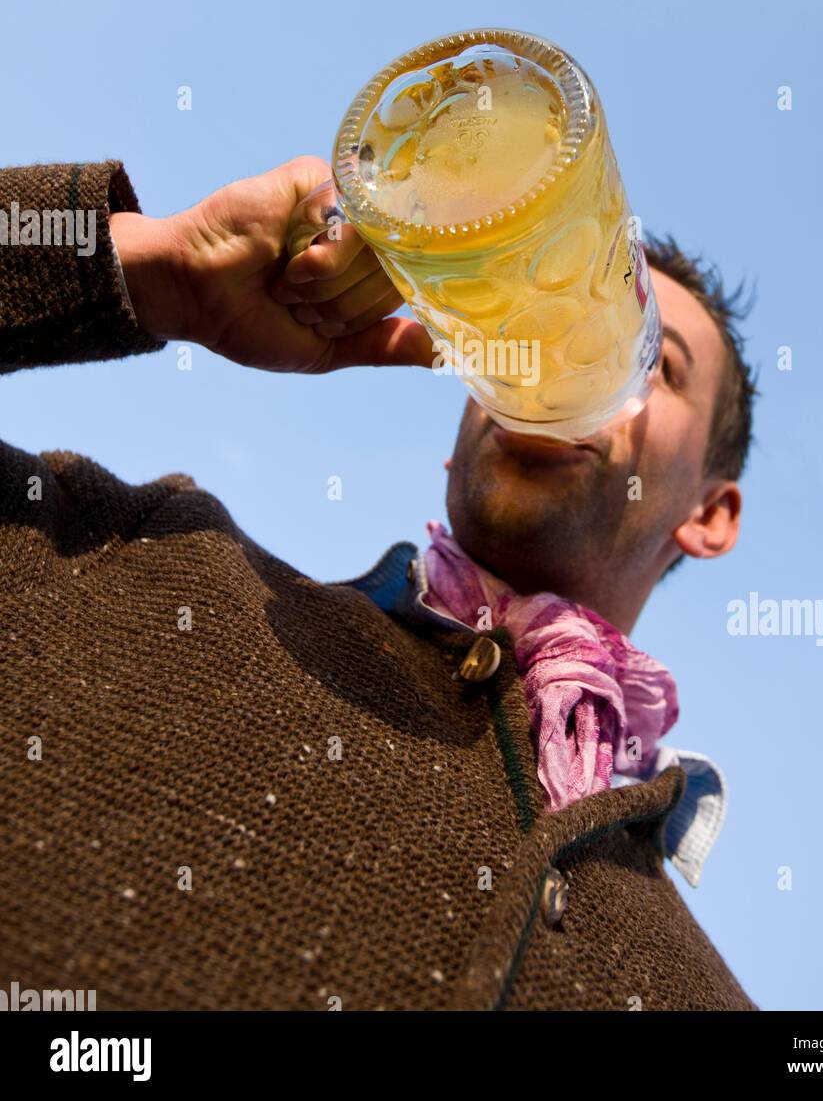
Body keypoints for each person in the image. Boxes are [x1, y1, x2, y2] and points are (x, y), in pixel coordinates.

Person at [0, 154, 758, 1011]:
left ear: (712, 514)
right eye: (548, 315)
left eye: (652, 356)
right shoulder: (138, 567)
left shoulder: (696, 992)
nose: (573, 353)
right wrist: (141, 267)